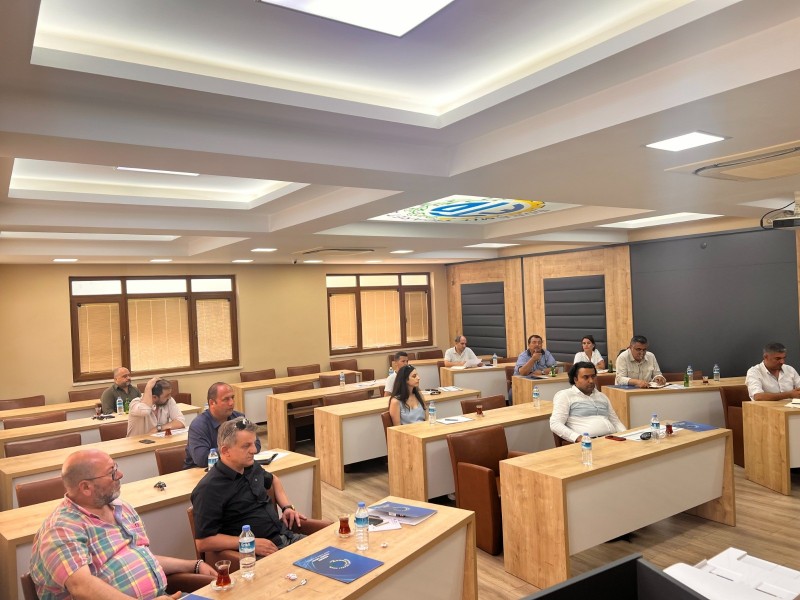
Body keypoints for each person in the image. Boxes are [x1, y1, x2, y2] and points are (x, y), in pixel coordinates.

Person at [29, 449, 216, 600]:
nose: (120, 474)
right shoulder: (61, 529)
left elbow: (141, 556)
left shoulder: (120, 508)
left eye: (116, 467)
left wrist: (194, 565)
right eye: (111, 472)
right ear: (86, 487)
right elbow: (82, 587)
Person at [191, 418, 306, 560]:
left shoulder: (250, 466)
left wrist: (286, 507)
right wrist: (249, 542)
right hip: (256, 555)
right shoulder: (209, 489)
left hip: (286, 537)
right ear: (226, 451)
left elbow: (273, 480)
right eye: (246, 446)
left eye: (254, 443)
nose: (254, 450)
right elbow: (203, 542)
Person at [183, 382, 261, 469]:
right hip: (200, 471)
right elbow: (202, 459)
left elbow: (256, 444)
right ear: (212, 403)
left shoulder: (238, 418)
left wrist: (237, 449)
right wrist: (236, 449)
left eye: (232, 398)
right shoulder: (198, 425)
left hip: (233, 466)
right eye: (226, 399)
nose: (231, 403)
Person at [550, 362, 626, 443]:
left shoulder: (602, 396)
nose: (591, 381)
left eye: (593, 376)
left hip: (612, 439)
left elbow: (615, 421)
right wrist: (579, 438)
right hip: (588, 443)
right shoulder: (565, 395)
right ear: (575, 379)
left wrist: (626, 435)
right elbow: (555, 424)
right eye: (586, 377)